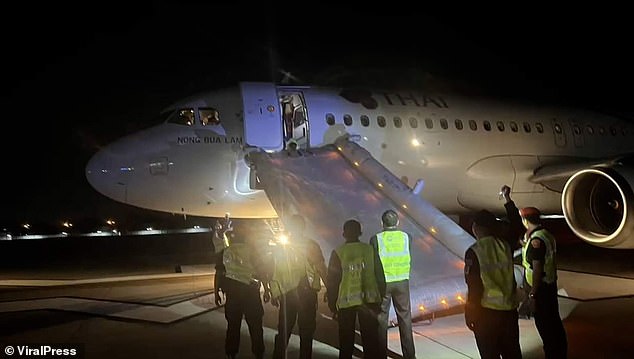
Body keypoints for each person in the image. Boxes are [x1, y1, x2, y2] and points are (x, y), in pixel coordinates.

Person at [265, 214, 328, 359]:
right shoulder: (311, 245)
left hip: (287, 294)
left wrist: (274, 292)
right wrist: (330, 290)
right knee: (306, 332)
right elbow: (321, 268)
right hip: (306, 294)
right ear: (303, 227)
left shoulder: (280, 247)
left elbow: (273, 271)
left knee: (284, 331)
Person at [464, 209, 523, 359]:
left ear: (476, 228)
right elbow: (518, 228)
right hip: (509, 312)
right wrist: (508, 203)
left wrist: (470, 313)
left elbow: (474, 287)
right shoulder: (505, 246)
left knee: (489, 354)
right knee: (513, 354)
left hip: (487, 314)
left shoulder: (474, 251)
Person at [327, 219, 383, 359]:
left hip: (346, 302)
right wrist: (380, 297)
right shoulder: (370, 250)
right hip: (369, 300)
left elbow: (332, 281)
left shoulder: (338, 252)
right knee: (370, 340)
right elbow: (380, 275)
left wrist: (332, 305)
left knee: (346, 341)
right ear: (360, 233)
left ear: (343, 234)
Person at [518, 205, 568, 358]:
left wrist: (533, 294)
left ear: (525, 221)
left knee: (546, 327)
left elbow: (537, 267)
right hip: (550, 285)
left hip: (540, 290)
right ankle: (560, 353)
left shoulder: (536, 240)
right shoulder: (545, 235)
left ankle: (553, 354)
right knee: (554, 324)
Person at [369, 209, 416, 359]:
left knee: (381, 319)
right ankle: (409, 355)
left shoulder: (376, 239)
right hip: (402, 281)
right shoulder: (406, 237)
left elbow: (374, 262)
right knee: (405, 318)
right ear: (397, 222)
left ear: (382, 223)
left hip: (383, 283)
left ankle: (380, 354)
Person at [214, 226, 266, 359]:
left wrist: (216, 293)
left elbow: (219, 273)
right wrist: (267, 289)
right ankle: (258, 353)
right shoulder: (251, 251)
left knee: (233, 326)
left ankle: (231, 353)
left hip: (233, 294)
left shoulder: (224, 252)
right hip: (251, 293)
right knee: (255, 326)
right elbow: (261, 271)